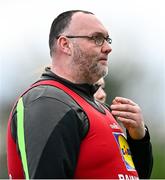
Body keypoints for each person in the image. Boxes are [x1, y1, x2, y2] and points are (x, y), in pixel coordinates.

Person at [7, 10, 153, 179]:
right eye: (97, 39)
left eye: (107, 40)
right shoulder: (48, 101)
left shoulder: (97, 107)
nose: (108, 48)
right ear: (65, 44)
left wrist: (139, 139)